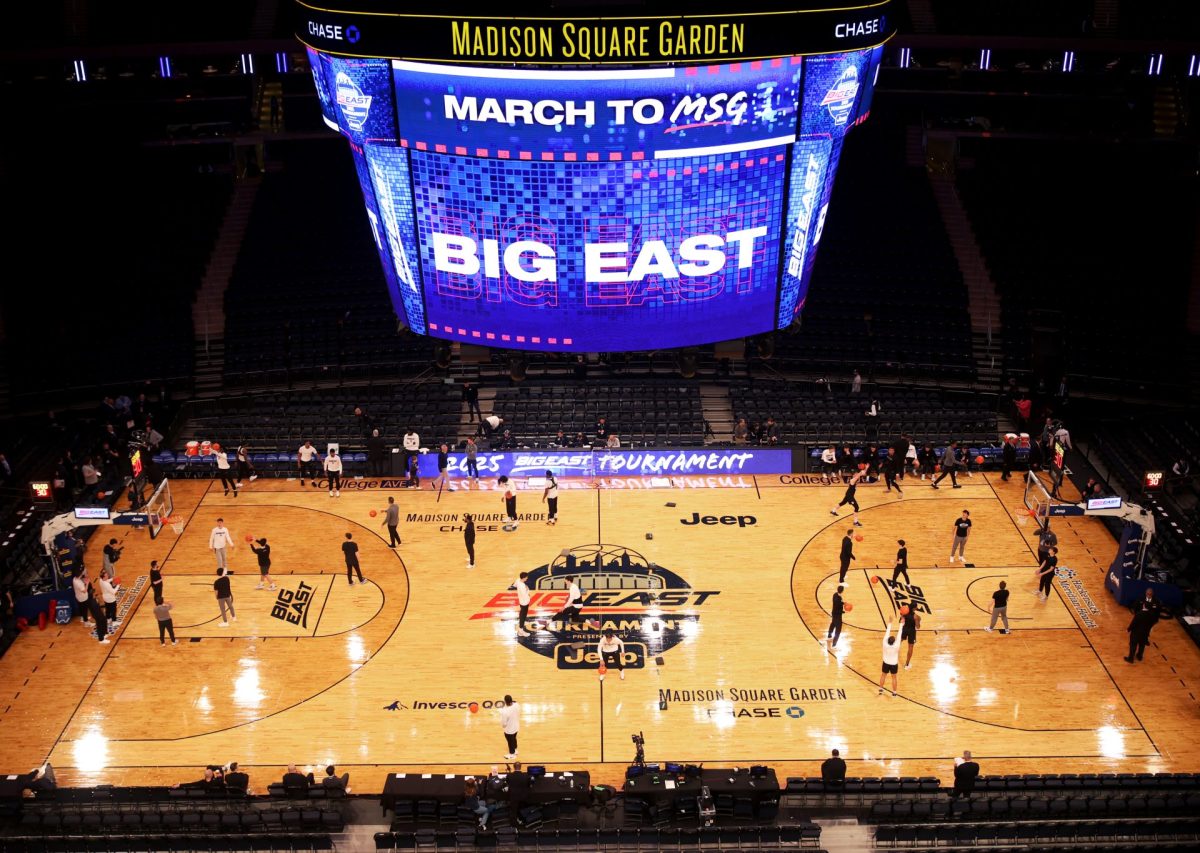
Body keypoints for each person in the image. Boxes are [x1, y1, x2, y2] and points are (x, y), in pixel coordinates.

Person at [1126, 588, 1162, 663]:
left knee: (1133, 644)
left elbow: (1134, 622)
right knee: (1142, 644)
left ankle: (1131, 658)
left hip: (1137, 631)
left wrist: (1129, 629)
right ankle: (1139, 656)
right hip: (1145, 631)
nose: (1148, 595)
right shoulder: (1151, 615)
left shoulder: (1139, 615)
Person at [879, 621, 900, 697]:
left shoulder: (884, 643)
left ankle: (881, 689)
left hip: (885, 662)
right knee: (894, 677)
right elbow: (899, 634)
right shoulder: (896, 646)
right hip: (894, 664)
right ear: (894, 642)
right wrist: (901, 625)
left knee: (883, 675)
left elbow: (887, 633)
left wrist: (890, 623)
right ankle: (894, 692)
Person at [499, 695, 520, 759]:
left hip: (509, 730)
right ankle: (515, 750)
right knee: (514, 738)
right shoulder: (517, 705)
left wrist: (503, 726)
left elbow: (504, 723)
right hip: (516, 727)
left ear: (505, 702)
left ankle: (512, 754)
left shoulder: (504, 711)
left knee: (510, 741)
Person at [826, 584, 845, 648]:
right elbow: (837, 606)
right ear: (842, 591)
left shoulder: (835, 595)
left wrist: (843, 603)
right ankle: (834, 643)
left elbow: (838, 603)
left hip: (834, 613)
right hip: (838, 615)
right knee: (838, 630)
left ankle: (829, 635)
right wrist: (842, 611)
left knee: (833, 624)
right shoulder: (838, 598)